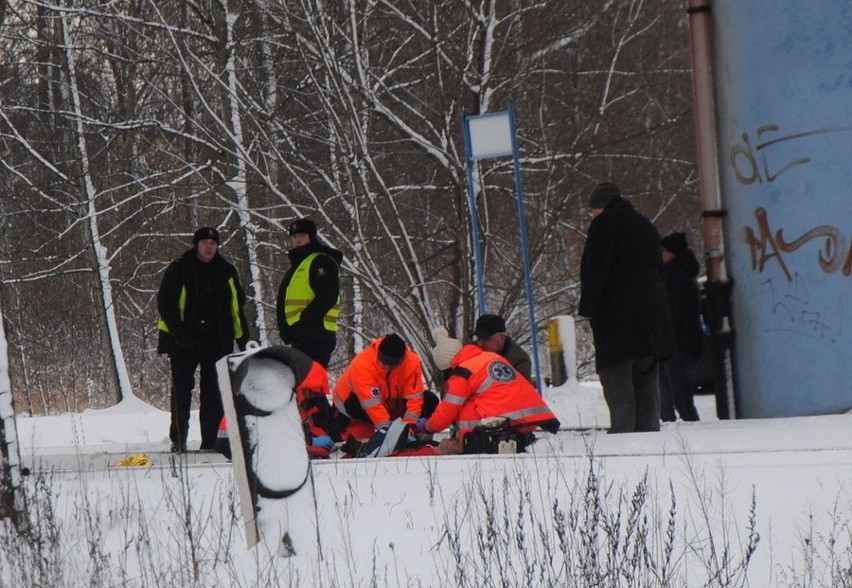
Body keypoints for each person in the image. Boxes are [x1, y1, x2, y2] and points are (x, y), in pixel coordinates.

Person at [577, 182, 674, 434]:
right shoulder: (645, 225)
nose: (592, 216)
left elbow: (597, 268)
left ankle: (623, 437)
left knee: (617, 381)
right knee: (646, 380)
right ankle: (648, 434)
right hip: (651, 319)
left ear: (601, 207)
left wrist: (588, 306)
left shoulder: (605, 224)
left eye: (592, 211)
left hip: (617, 320)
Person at [157, 226, 250, 453]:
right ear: (196, 244)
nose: (209, 247)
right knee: (181, 389)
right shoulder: (179, 268)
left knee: (213, 392)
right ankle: (178, 439)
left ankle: (210, 442)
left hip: (216, 340)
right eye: (204, 242)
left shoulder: (226, 270)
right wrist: (178, 334)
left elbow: (237, 306)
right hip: (184, 340)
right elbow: (166, 304)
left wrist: (243, 337)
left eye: (213, 243)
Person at [417, 328, 560, 453]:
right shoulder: (490, 357)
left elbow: (447, 411)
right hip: (529, 419)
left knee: (465, 405)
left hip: (503, 423)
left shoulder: (462, 372)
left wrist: (427, 426)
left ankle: (467, 442)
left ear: (447, 364)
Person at [215, 346, 342, 460]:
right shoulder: (280, 399)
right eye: (313, 392)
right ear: (304, 386)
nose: (314, 396)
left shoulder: (290, 395)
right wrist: (309, 443)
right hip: (235, 441)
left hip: (242, 440)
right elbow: (277, 434)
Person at [333, 334, 436, 440]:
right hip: (354, 410)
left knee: (429, 400)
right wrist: (391, 434)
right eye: (383, 364)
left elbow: (414, 398)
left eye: (391, 365)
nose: (386, 368)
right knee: (361, 449)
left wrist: (409, 426)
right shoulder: (362, 366)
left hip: (389, 405)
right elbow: (372, 406)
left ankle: (421, 441)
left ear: (402, 360)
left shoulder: (412, 362)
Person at [276, 218, 342, 367]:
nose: (298, 240)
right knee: (303, 387)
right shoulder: (299, 264)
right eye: (294, 236)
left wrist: (304, 323)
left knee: (311, 385)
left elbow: (328, 296)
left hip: (316, 336)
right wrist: (287, 331)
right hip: (301, 338)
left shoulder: (320, 261)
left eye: (302, 235)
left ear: (311, 236)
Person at [659, 232, 703, 422]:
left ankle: (687, 428)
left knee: (680, 397)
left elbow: (671, 313)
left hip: (677, 344)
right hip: (687, 342)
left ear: (671, 253)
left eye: (662, 250)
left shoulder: (674, 277)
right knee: (675, 393)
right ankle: (674, 423)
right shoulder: (684, 274)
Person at [470, 314, 533, 384]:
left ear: (502, 338)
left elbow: (521, 391)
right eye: (478, 338)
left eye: (485, 338)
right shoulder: (470, 352)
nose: (480, 344)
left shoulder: (520, 361)